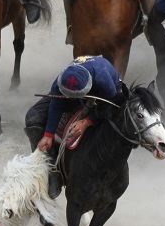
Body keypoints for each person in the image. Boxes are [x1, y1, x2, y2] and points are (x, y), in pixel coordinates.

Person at [24, 56, 123, 198]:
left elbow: (111, 106)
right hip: (72, 95)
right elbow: (56, 105)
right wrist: (48, 135)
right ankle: (49, 170)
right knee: (33, 115)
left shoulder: (103, 79)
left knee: (112, 125)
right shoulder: (60, 81)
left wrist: (87, 121)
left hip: (105, 98)